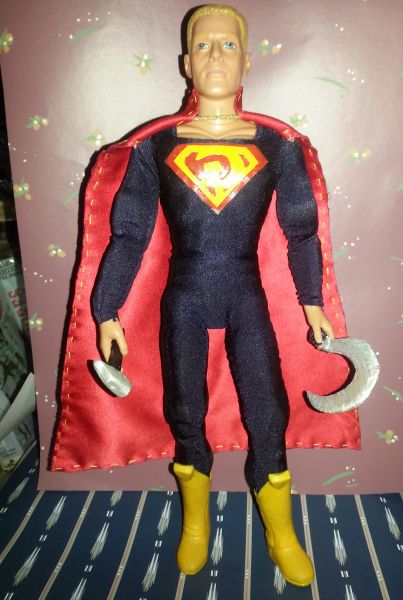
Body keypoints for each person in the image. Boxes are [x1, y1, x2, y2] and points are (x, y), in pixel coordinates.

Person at [90, 4, 336, 587]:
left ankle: (280, 530)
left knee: (267, 408)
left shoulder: (278, 146)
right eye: (203, 45)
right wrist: (106, 307)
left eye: (228, 45)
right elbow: (129, 233)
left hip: (247, 293)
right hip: (185, 294)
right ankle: (195, 520)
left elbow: (301, 229)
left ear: (247, 60)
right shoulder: (155, 147)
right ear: (185, 61)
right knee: (185, 409)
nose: (216, 56)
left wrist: (312, 300)